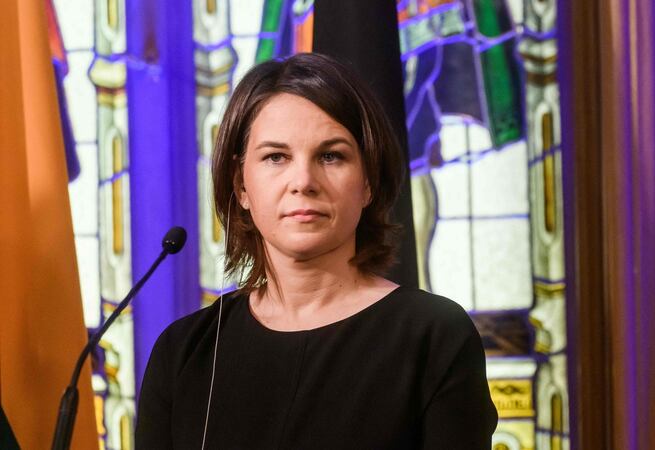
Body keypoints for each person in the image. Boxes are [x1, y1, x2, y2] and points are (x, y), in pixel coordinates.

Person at [135, 52, 497, 449]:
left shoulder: (433, 336)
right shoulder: (183, 352)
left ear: (368, 182)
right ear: (240, 186)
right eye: (276, 157)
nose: (303, 181)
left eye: (330, 156)